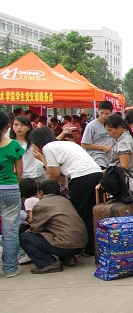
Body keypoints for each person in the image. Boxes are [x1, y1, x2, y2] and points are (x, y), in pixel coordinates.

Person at [30, 127, 103, 257]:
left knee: (77, 214)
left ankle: (80, 246)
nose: (33, 147)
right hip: (95, 174)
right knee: (88, 213)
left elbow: (54, 174)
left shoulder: (48, 148)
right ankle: (92, 247)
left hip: (81, 177)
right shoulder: (63, 144)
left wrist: (42, 159)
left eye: (33, 144)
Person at [19, 180, 87, 274]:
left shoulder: (41, 204)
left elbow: (35, 228)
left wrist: (31, 230)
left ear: (41, 192)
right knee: (59, 230)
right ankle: (69, 258)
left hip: (65, 245)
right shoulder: (65, 200)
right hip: (81, 244)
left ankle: (48, 263)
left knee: (24, 238)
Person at [0, 111, 25, 278]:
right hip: (9, 188)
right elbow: (20, 171)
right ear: (7, 127)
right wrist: (15, 184)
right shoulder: (14, 144)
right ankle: (10, 268)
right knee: (10, 230)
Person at [104, 115, 133, 190]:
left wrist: (107, 174)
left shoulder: (123, 142)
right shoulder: (124, 138)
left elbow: (123, 166)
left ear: (119, 128)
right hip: (127, 180)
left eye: (110, 130)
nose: (109, 133)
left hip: (125, 182)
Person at [10, 115, 47, 184]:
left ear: (28, 127)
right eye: (16, 125)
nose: (19, 128)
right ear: (12, 127)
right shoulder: (8, 143)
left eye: (22, 125)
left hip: (30, 177)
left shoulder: (33, 143)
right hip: (12, 177)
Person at [81, 101, 114, 168]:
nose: (104, 116)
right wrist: (102, 147)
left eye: (107, 114)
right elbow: (84, 144)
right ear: (98, 111)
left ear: (111, 113)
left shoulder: (113, 125)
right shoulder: (91, 126)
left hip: (111, 158)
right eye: (101, 113)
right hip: (97, 159)